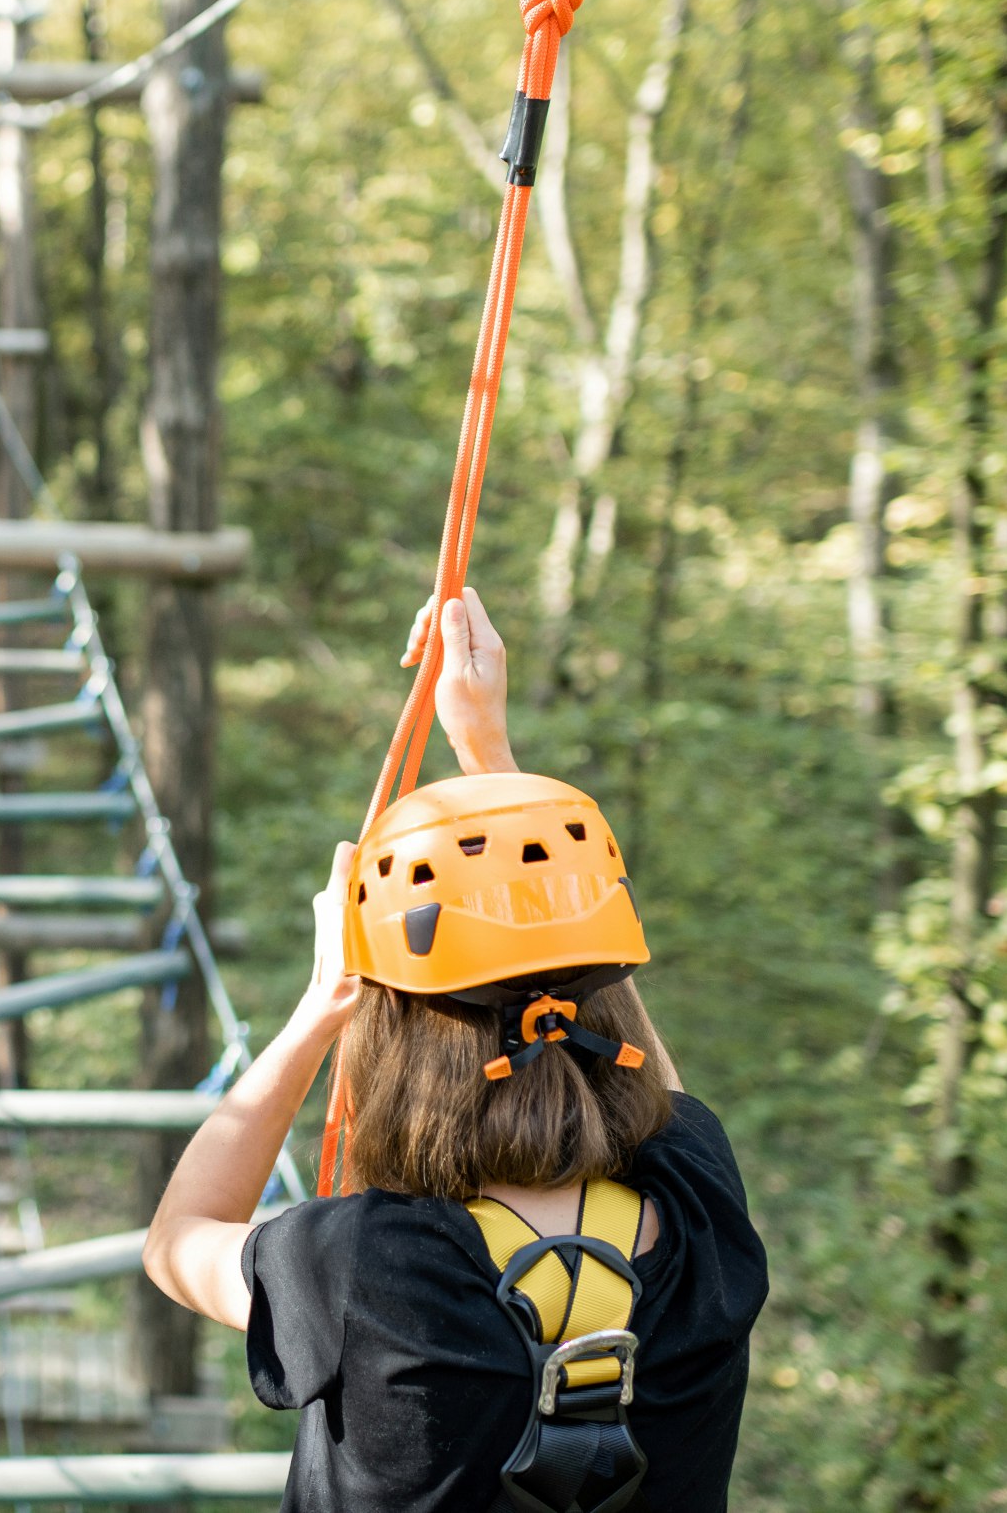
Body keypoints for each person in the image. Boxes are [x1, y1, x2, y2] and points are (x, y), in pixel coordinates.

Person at [143, 589, 767, 1513]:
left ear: (388, 1026)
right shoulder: (698, 1201)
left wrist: (320, 1006)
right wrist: (497, 770)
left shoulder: (364, 1268)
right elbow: (648, 1077)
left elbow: (177, 1243)